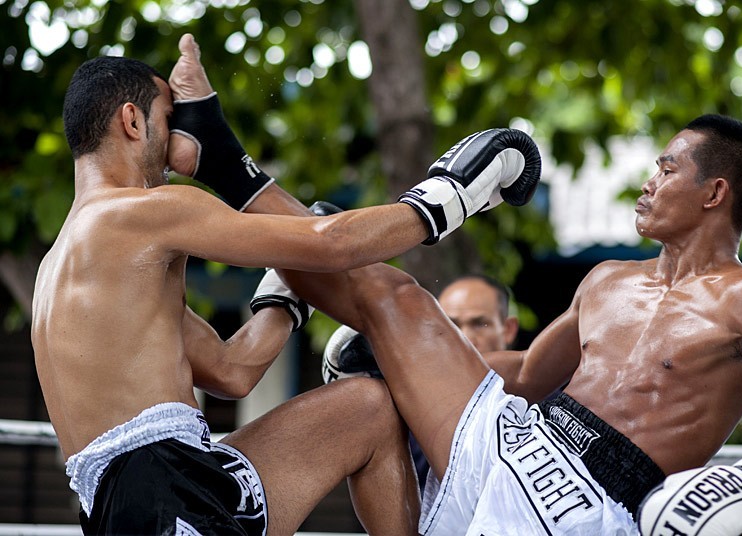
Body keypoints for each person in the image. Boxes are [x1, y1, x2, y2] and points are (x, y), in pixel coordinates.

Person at [30, 32, 540, 535]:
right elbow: (333, 243)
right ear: (132, 120)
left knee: (368, 408)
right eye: (170, 120)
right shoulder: (138, 214)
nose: (169, 152)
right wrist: (451, 196)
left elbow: (232, 371)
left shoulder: (70, 267)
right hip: (158, 487)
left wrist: (287, 289)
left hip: (163, 484)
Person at [278, 115, 742, 534]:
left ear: (715, 193)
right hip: (523, 436)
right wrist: (401, 365)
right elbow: (524, 371)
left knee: (385, 314)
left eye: (667, 169)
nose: (649, 183)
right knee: (386, 307)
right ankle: (222, 161)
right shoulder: (608, 278)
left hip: (597, 501)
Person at [409, 274, 520, 490]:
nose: (464, 337)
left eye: (480, 323)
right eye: (451, 324)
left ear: (508, 329)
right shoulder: (406, 408)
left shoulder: (548, 405)